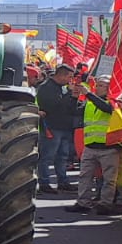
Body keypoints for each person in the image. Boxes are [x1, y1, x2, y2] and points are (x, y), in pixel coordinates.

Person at [73, 75, 117, 214]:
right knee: (85, 176)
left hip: (109, 147)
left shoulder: (114, 101)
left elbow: (106, 108)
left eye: (101, 85)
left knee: (109, 179)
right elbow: (74, 112)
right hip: (90, 146)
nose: (97, 87)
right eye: (97, 85)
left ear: (109, 88)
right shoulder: (90, 102)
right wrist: (74, 97)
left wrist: (88, 94)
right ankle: (83, 203)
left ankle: (105, 205)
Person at [35, 64, 80, 194]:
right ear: (61, 75)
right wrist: (69, 94)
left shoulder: (64, 88)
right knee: (47, 156)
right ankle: (44, 182)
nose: (70, 80)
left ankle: (63, 182)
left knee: (62, 157)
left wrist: (74, 98)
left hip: (65, 127)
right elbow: (52, 106)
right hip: (51, 127)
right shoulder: (45, 87)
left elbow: (69, 107)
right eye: (69, 77)